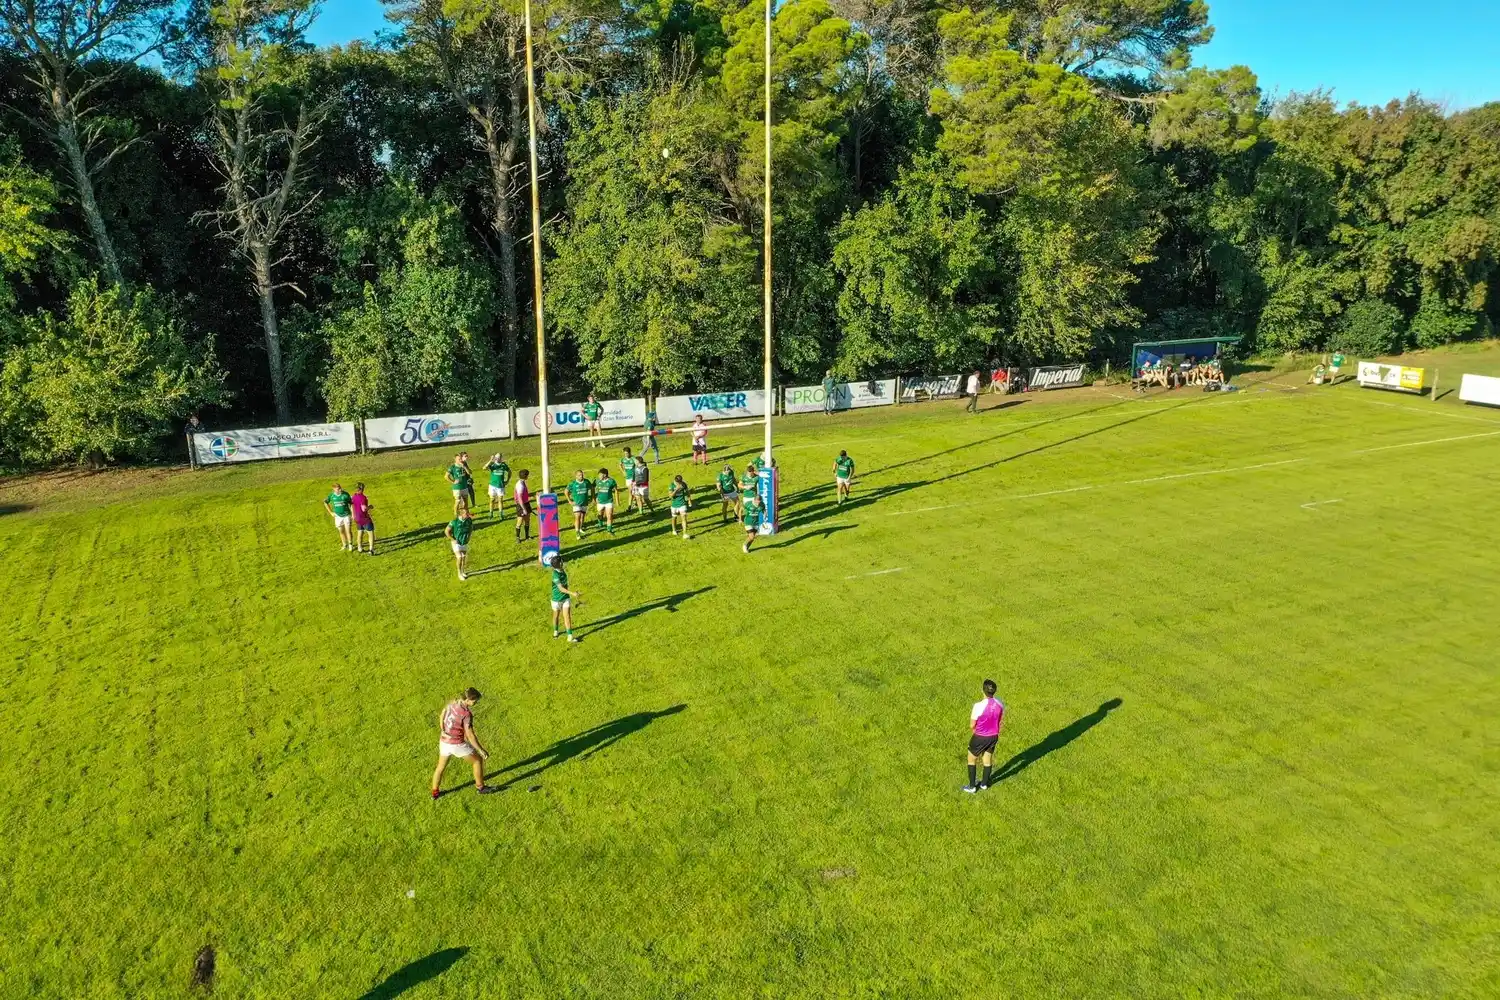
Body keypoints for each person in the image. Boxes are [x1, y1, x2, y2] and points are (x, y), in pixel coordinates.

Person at [431, 688, 497, 798]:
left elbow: (442, 714)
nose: (476, 702)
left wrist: (443, 730)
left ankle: (435, 793)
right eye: (475, 700)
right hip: (457, 744)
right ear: (468, 699)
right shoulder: (466, 714)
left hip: (444, 741)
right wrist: (481, 750)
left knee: (440, 767)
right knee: (477, 760)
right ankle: (481, 787)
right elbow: (470, 735)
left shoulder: (452, 702)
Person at [963, 679, 1006, 793]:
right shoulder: (1000, 703)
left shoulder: (978, 706)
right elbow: (999, 720)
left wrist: (975, 731)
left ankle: (972, 787)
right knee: (987, 759)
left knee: (971, 759)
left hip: (980, 737)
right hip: (993, 737)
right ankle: (984, 784)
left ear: (982, 690)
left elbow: (972, 724)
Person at [547, 552, 580, 643]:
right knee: (556, 617)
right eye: (561, 561)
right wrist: (572, 593)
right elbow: (561, 588)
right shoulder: (555, 575)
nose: (563, 562)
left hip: (565, 598)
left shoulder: (562, 569)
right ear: (559, 564)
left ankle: (570, 636)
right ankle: (556, 631)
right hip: (556, 600)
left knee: (567, 617)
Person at [445, 502, 474, 580]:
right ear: (462, 513)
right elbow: (446, 531)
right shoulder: (454, 521)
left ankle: (463, 571)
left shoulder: (469, 521)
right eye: (467, 513)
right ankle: (459, 573)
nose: (468, 515)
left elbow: (471, 528)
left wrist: (469, 537)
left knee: (464, 557)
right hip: (456, 542)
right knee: (460, 557)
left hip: (464, 541)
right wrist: (453, 539)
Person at [324, 483, 355, 551]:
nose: (340, 490)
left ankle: (350, 545)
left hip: (346, 515)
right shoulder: (331, 495)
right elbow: (325, 502)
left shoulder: (345, 494)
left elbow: (351, 503)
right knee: (341, 531)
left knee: (348, 530)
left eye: (340, 488)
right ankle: (344, 545)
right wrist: (331, 512)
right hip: (338, 516)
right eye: (338, 489)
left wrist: (353, 514)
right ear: (334, 489)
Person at [566, 469, 593, 538]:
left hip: (585, 502)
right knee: (577, 517)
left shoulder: (586, 482)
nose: (581, 476)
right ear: (576, 476)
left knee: (582, 517)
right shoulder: (572, 483)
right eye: (579, 475)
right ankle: (577, 532)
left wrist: (592, 497)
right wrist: (569, 501)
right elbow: (566, 492)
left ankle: (580, 528)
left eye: (582, 475)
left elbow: (592, 488)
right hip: (576, 504)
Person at [351, 482, 375, 555]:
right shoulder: (363, 497)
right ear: (362, 489)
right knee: (370, 534)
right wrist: (370, 507)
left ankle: (359, 548)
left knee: (360, 532)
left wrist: (353, 515)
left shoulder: (353, 496)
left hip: (357, 518)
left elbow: (352, 505)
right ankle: (371, 550)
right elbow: (364, 509)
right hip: (364, 518)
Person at [484, 454, 511, 519]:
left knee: (500, 500)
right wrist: (490, 460)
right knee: (492, 500)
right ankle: (491, 514)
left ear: (501, 458)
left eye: (499, 457)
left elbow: (509, 471)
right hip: (492, 486)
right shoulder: (492, 465)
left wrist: (507, 480)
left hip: (500, 485)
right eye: (496, 457)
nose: (497, 458)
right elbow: (484, 468)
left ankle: (501, 514)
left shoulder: (503, 465)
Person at [594, 467, 619, 534]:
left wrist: (617, 501)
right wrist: (594, 497)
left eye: (600, 475)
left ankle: (609, 530)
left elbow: (616, 490)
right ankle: (600, 524)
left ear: (605, 475)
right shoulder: (597, 480)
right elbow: (592, 487)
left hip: (609, 501)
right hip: (600, 501)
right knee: (600, 515)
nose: (599, 476)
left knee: (609, 516)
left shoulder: (611, 481)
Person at [669, 474, 693, 539]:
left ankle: (684, 534)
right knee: (674, 518)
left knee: (684, 518)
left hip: (682, 504)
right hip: (674, 505)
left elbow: (687, 492)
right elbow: (670, 496)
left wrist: (689, 500)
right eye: (678, 482)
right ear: (675, 481)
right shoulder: (671, 485)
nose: (679, 483)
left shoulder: (683, 484)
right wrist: (676, 489)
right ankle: (674, 530)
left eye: (680, 482)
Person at [514, 470, 534, 542]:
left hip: (526, 503)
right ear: (525, 476)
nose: (528, 476)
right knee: (520, 521)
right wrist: (524, 509)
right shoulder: (520, 486)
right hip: (521, 505)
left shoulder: (522, 482)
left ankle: (527, 536)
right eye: (528, 475)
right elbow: (519, 498)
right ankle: (518, 538)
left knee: (527, 520)